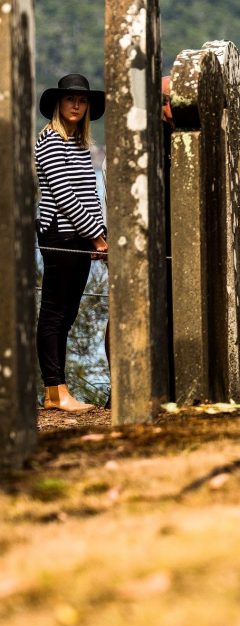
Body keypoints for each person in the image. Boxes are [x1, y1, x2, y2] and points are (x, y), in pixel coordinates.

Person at [34, 73, 109, 412]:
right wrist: (96, 235)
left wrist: (98, 233)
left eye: (82, 100)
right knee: (53, 313)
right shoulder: (50, 140)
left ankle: (56, 393)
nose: (76, 104)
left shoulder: (80, 144)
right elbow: (65, 195)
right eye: (70, 99)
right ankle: (56, 391)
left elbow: (90, 195)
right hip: (60, 234)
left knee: (67, 314)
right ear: (58, 105)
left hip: (79, 236)